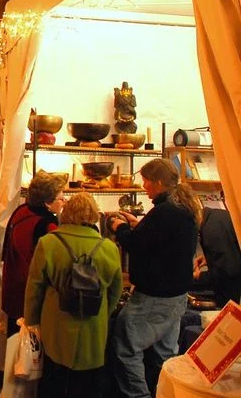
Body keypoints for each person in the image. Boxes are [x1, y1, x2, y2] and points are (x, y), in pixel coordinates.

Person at [108, 158, 201, 398]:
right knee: (165, 354)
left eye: (147, 181)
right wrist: (138, 223)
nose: (144, 186)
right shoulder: (182, 208)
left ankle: (139, 395)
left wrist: (119, 227)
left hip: (154, 297)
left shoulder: (165, 212)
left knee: (125, 348)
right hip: (177, 295)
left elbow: (136, 244)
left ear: (159, 182)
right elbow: (160, 242)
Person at [24, 192, 123, 398]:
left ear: (66, 212)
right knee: (89, 386)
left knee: (53, 382)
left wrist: (31, 322)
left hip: (55, 323)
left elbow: (34, 287)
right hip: (93, 325)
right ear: (94, 215)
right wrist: (104, 312)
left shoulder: (48, 243)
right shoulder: (109, 248)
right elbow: (115, 290)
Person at [2, 170, 65, 336]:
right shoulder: (46, 225)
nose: (63, 201)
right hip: (31, 297)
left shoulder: (21, 211)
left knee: (16, 346)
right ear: (47, 203)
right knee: (31, 352)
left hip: (13, 289)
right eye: (60, 198)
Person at [192, 203, 241, 308]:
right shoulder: (216, 216)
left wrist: (199, 276)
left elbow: (227, 271)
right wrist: (209, 257)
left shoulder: (211, 230)